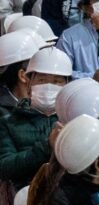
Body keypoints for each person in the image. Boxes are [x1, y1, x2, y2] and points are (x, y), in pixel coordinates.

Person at [0, 46, 69, 188]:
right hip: (26, 194)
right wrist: (46, 146)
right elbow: (4, 167)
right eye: (42, 80)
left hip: (68, 195)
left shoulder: (73, 119)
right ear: (29, 83)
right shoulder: (9, 122)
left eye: (57, 81)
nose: (49, 87)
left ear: (67, 85)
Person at [54, 0, 99, 80]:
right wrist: (91, 78)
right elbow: (59, 73)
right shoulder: (69, 37)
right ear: (84, 7)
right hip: (84, 89)